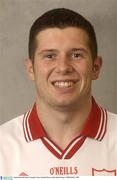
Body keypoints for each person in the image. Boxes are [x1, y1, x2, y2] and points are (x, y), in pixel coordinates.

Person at [0, 8, 117, 177]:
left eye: (76, 55)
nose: (63, 67)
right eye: (50, 56)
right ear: (31, 68)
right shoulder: (2, 146)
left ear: (96, 67)